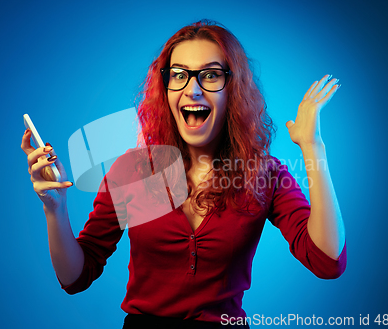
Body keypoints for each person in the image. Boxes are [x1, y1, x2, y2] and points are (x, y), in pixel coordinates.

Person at [21, 20, 346, 329]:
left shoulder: (264, 174)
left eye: (210, 75)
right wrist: (55, 208)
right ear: (165, 88)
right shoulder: (133, 171)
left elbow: (327, 262)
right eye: (179, 75)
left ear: (233, 89)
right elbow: (75, 277)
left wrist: (312, 145)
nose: (192, 90)